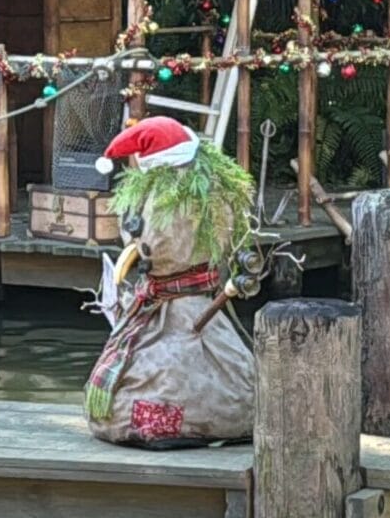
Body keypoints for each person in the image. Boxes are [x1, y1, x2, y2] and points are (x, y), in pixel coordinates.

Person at [85, 116, 261, 446]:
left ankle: (164, 423)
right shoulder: (213, 191)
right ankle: (227, 418)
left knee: (152, 368)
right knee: (229, 368)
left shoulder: (160, 198)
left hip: (174, 301)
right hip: (197, 300)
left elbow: (152, 246)